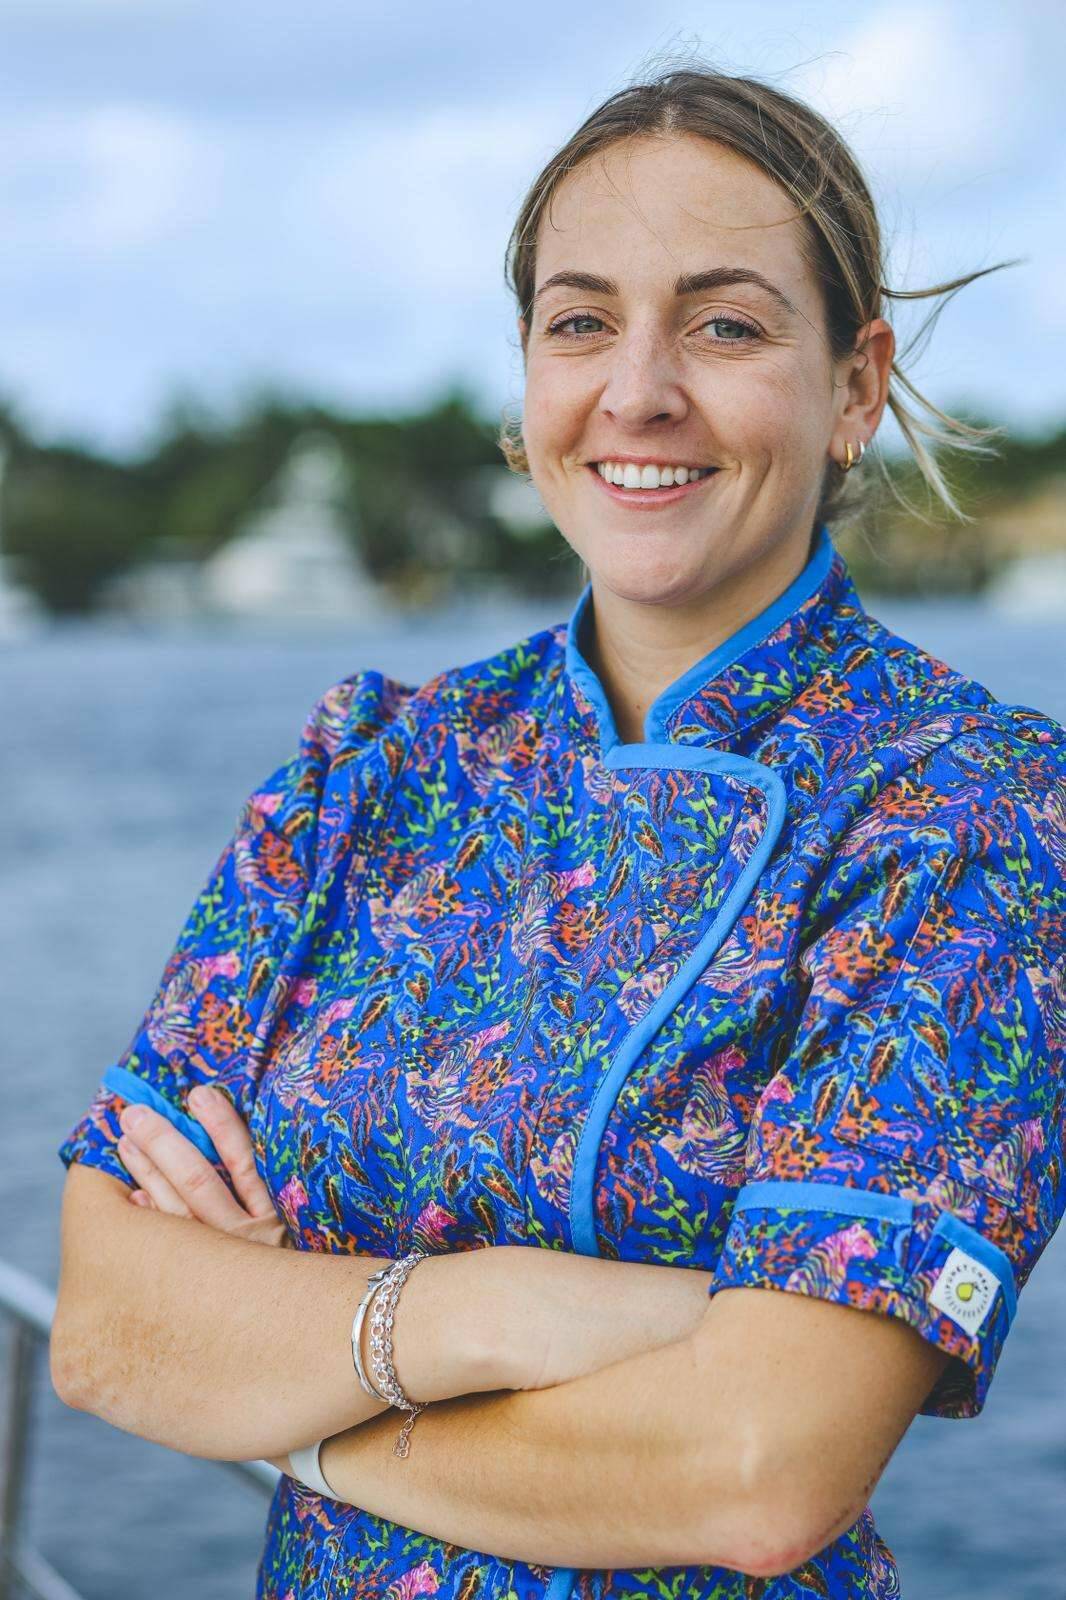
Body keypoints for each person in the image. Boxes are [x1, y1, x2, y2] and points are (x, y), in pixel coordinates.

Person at [51, 62, 1064, 1600]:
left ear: (855, 386)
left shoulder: (966, 810)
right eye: (580, 322)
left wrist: (293, 1406)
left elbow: (754, 1473)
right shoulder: (367, 765)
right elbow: (108, 1328)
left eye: (724, 326)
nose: (636, 391)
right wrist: (485, 1312)